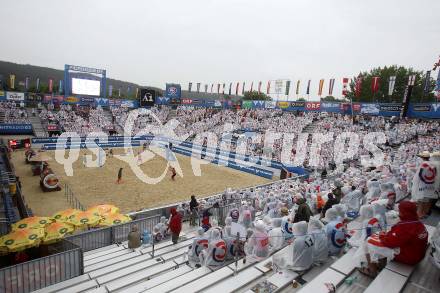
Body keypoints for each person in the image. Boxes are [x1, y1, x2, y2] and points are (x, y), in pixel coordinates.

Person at [358, 201, 428, 277]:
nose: (399, 211)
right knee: (379, 240)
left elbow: (389, 242)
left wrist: (382, 236)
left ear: (404, 212)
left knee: (368, 242)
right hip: (417, 255)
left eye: (400, 210)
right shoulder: (418, 223)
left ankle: (372, 271)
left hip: (409, 258)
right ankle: (381, 264)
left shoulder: (405, 227)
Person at [412, 151, 438, 218]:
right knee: (427, 201)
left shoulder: (423, 164)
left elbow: (419, 176)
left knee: (421, 202)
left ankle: (419, 215)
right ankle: (424, 213)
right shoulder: (432, 164)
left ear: (422, 158)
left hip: (422, 185)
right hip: (431, 185)